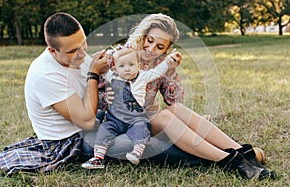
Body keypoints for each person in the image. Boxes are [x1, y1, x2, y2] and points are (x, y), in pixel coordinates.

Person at [100, 13, 276, 180]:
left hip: (147, 121)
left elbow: (175, 102)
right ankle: (230, 161)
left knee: (174, 110)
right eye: (150, 40)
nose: (152, 49)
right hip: (123, 122)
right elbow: (94, 85)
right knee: (165, 116)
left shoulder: (160, 63)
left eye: (160, 46)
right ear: (143, 35)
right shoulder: (117, 56)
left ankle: (245, 153)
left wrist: (170, 71)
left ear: (167, 49)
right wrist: (105, 96)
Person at [0, 12, 109, 175]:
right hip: (70, 140)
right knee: (146, 146)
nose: (83, 53)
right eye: (73, 50)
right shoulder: (45, 74)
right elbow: (87, 122)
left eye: (83, 43)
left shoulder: (76, 55)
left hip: (96, 121)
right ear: (52, 50)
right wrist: (94, 74)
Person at [82, 46, 181, 169]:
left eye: (131, 65)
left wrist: (168, 61)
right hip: (115, 118)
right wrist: (108, 54)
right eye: (122, 66)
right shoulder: (112, 76)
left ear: (138, 65)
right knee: (104, 130)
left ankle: (136, 152)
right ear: (115, 68)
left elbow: (157, 72)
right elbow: (99, 67)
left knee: (141, 128)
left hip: (135, 117)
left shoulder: (143, 76)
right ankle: (98, 158)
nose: (127, 69)